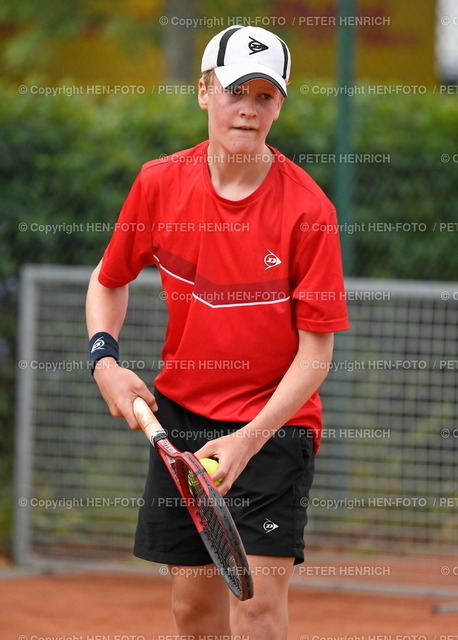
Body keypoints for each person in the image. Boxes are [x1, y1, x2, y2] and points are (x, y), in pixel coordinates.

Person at [86, 25, 349, 639]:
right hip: (181, 421)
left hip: (274, 427)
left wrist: (249, 440)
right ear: (204, 92)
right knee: (193, 611)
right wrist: (105, 361)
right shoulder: (159, 183)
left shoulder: (309, 211)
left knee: (256, 609)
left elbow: (316, 353)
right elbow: (107, 280)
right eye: (237, 91)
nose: (250, 109)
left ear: (280, 104)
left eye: (266, 95)